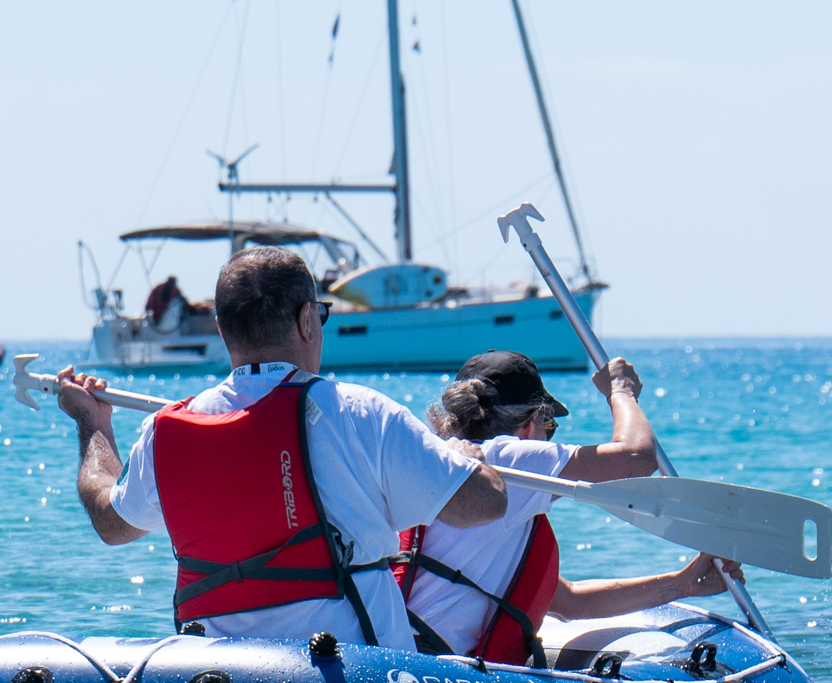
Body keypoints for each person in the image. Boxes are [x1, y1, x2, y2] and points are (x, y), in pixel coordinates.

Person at [53, 245, 507, 648]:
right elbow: (483, 504)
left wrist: (93, 424)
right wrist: (464, 460)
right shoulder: (361, 413)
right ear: (307, 320)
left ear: (221, 328)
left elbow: (111, 523)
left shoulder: (164, 431)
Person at [396, 349, 733, 664]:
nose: (549, 437)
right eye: (549, 426)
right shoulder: (506, 457)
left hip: (398, 655)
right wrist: (621, 390)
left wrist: (683, 584)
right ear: (529, 424)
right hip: (433, 667)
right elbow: (636, 457)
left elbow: (569, 601)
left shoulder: (440, 461)